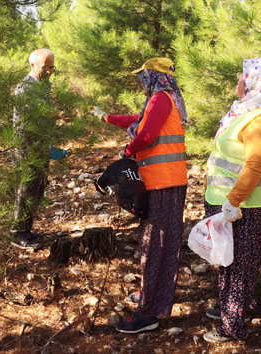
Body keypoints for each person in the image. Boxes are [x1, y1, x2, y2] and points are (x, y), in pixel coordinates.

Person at [92, 58, 188, 334]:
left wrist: (128, 152)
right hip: (163, 182)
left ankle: (149, 312)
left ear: (152, 76)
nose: (141, 81)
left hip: (164, 183)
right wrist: (105, 117)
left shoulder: (160, 99)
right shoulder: (163, 100)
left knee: (156, 243)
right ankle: (154, 295)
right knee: (156, 242)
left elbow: (144, 135)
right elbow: (137, 121)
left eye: (144, 76)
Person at [202, 58, 261, 343]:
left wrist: (233, 201)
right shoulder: (248, 110)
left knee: (239, 267)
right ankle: (234, 310)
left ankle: (232, 327)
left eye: (242, 76)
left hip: (247, 209)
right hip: (231, 204)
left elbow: (255, 166)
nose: (237, 79)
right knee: (230, 262)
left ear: (257, 83)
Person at [10, 48, 56, 249]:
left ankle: (26, 229)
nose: (49, 72)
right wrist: (56, 115)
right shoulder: (24, 88)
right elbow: (31, 120)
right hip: (27, 147)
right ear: (32, 65)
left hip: (41, 145)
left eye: (52, 68)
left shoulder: (45, 85)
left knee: (38, 188)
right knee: (26, 189)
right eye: (46, 68)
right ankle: (18, 233)